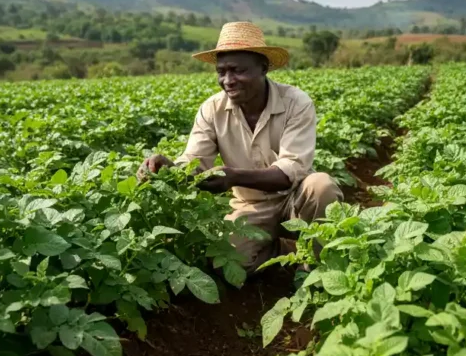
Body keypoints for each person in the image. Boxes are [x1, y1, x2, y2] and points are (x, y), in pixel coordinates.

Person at [139, 21, 344, 274]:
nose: (228, 80)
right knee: (227, 263)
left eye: (237, 70)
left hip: (297, 198)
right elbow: (194, 160)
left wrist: (234, 176)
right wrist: (169, 168)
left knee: (321, 186)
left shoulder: (296, 103)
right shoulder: (211, 110)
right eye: (221, 71)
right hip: (251, 205)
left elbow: (291, 170)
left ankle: (315, 267)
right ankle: (284, 252)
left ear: (263, 67)